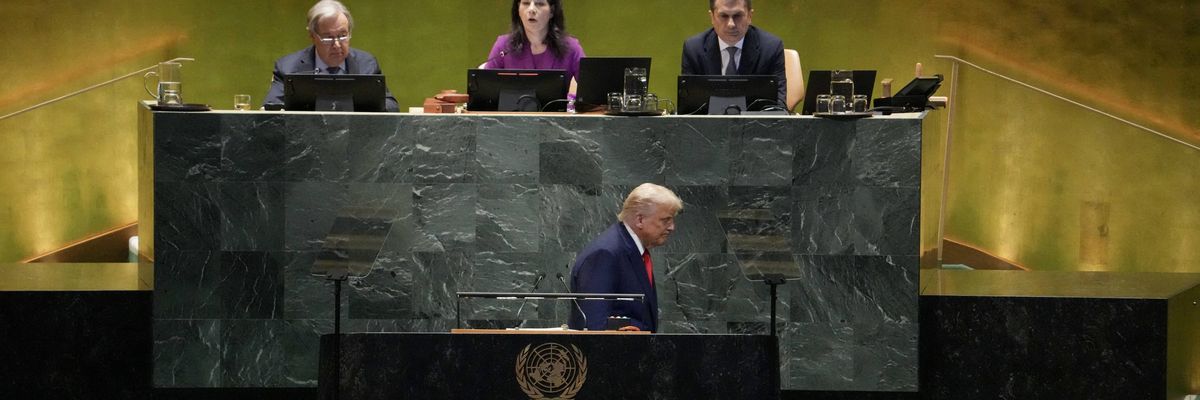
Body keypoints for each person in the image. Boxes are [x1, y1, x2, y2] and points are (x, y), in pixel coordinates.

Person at [567, 183, 683, 332]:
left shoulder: (633, 250)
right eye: (665, 220)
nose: (671, 227)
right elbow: (594, 327)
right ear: (640, 220)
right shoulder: (606, 254)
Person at [263, 0, 399, 111]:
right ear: (312, 35)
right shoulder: (288, 67)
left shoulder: (367, 64)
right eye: (328, 38)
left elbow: (391, 106)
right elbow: (272, 108)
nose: (337, 45)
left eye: (343, 36)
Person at [681, 0, 787, 107]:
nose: (731, 24)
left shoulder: (771, 48)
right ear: (712, 17)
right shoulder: (693, 49)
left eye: (738, 15)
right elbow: (688, 106)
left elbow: (779, 105)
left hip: (757, 123)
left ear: (750, 16)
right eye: (723, 16)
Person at [485, 0, 586, 84]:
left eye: (540, 4)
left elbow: (592, 94)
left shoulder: (571, 47)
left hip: (554, 109)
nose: (531, 9)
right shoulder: (503, 45)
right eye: (526, 3)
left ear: (552, 11)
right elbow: (485, 89)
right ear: (518, 10)